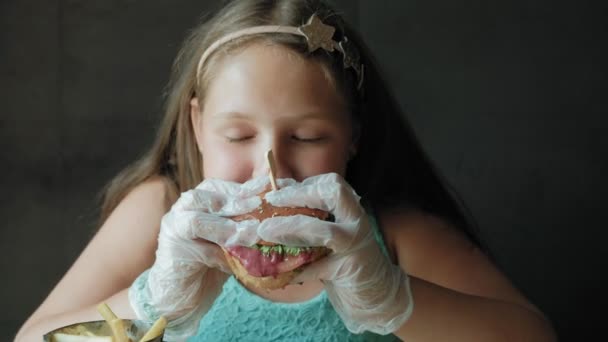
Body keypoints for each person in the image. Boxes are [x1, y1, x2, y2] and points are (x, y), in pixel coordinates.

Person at [16, 0, 557, 341]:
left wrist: (394, 298)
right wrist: (148, 303)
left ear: (352, 138)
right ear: (198, 126)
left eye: (307, 137)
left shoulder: (387, 234)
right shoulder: (158, 211)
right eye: (239, 136)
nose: (271, 168)